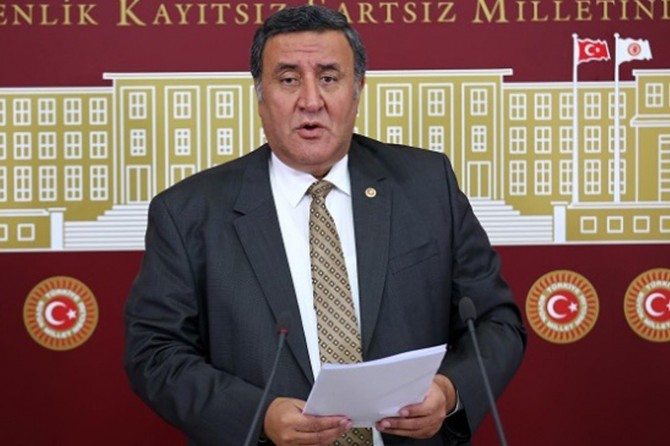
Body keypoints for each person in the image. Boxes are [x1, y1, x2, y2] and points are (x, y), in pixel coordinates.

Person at [124, 5, 526, 446]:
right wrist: (259, 416)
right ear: (260, 95)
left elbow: (494, 321)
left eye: (329, 78)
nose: (311, 100)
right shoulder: (189, 212)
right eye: (288, 79)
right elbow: (155, 353)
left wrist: (449, 392)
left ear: (358, 90)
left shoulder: (428, 186)